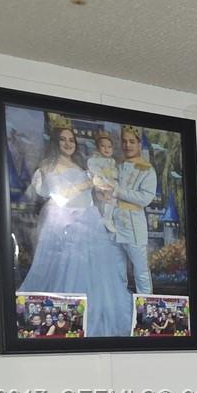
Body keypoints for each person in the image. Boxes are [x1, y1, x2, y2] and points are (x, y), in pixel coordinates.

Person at [20, 116, 132, 338]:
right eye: (63, 139)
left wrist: (103, 192)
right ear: (56, 141)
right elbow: (61, 195)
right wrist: (88, 183)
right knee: (66, 270)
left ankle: (93, 318)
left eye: (71, 139)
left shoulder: (81, 166)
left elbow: (90, 194)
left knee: (97, 274)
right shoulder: (48, 167)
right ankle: (67, 321)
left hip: (88, 221)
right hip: (64, 222)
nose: (68, 143)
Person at [112, 125, 159, 295]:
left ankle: (145, 305)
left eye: (132, 141)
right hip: (114, 223)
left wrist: (118, 191)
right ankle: (120, 303)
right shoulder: (117, 167)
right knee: (117, 269)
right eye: (124, 141)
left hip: (133, 224)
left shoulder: (147, 170)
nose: (127, 145)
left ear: (139, 144)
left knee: (140, 270)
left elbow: (145, 198)